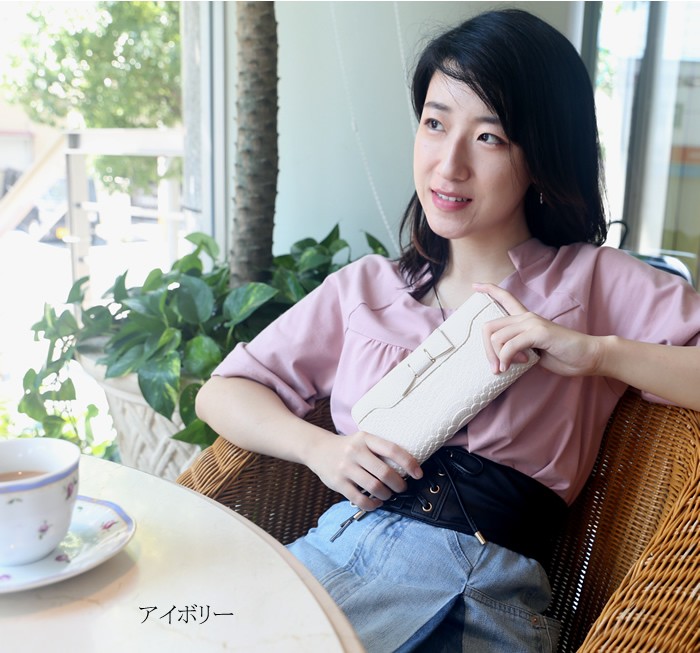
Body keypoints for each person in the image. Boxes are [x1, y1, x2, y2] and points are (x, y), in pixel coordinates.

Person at [195, 8, 700, 652]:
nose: (449, 165)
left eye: (490, 137)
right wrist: (320, 449)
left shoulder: (594, 281)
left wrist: (598, 354)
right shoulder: (368, 288)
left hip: (478, 591)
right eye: (435, 124)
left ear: (542, 154)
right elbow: (223, 392)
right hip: (331, 557)